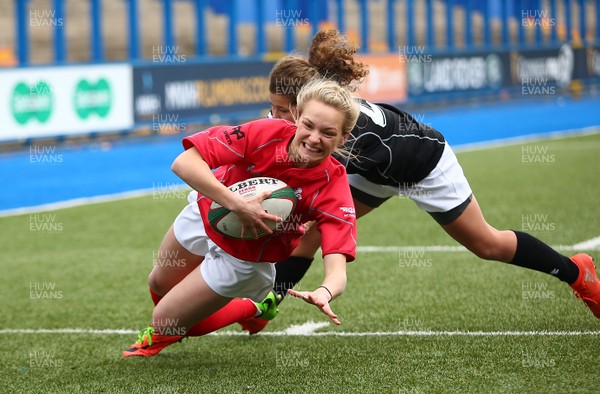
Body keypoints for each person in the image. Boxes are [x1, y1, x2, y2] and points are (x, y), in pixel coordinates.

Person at [227, 29, 600, 335]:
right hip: (374, 171)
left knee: (488, 245)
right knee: (309, 231)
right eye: (272, 108)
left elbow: (308, 182)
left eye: (280, 110)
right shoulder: (315, 115)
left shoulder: (338, 135)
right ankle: (267, 307)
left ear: (302, 104)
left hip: (423, 163)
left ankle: (576, 271)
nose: (274, 117)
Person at [122, 78, 361, 357]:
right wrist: (237, 205)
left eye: (328, 133)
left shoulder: (333, 186)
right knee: (158, 283)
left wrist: (325, 291)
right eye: (308, 125)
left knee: (167, 323)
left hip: (244, 257)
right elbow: (184, 162)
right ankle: (245, 306)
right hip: (208, 212)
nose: (314, 138)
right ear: (297, 116)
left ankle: (255, 305)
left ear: (343, 138)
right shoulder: (266, 132)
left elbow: (337, 270)